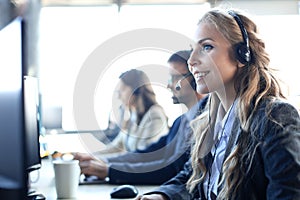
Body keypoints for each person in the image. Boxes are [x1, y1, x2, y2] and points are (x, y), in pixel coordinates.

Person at [137, 8, 300, 200]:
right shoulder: (209, 119)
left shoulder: (274, 116)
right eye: (193, 50)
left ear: (242, 55)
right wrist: (161, 196)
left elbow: (288, 193)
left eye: (206, 47)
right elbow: (193, 178)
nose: (191, 61)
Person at [74, 50, 208, 184]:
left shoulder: (202, 120)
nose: (168, 85)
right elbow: (146, 154)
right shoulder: (181, 121)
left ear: (196, 77)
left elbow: (170, 169)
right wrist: (101, 162)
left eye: (175, 78)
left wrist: (110, 171)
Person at [95, 69, 169, 155]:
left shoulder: (155, 115)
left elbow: (143, 154)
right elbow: (116, 147)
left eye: (122, 90)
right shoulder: (134, 115)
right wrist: (88, 156)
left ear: (136, 90)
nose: (119, 96)